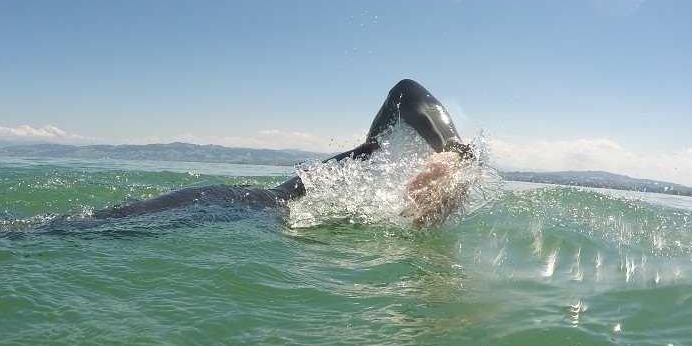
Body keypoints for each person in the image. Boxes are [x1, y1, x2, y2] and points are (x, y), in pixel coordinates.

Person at [91, 79, 475, 226]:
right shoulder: (367, 154)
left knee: (112, 221)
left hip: (242, 206)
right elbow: (405, 90)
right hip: (238, 202)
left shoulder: (368, 181)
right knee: (107, 223)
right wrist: (454, 152)